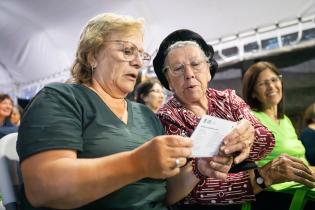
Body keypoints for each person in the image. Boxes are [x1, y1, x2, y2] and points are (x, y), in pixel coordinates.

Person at [16, 13, 234, 210]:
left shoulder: (146, 115)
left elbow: (165, 192)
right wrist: (137, 163)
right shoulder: (61, 98)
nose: (138, 62)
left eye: (141, 54)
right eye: (127, 51)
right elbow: (44, 188)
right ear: (92, 55)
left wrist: (198, 170)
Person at [153, 29, 277, 209]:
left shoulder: (228, 99)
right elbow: (191, 193)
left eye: (196, 64)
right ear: (168, 81)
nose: (189, 74)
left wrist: (249, 136)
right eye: (178, 69)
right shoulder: (167, 117)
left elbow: (267, 142)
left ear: (209, 70)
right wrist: (260, 178)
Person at [242, 61, 315, 209]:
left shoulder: (285, 120)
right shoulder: (250, 118)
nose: (271, 86)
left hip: (303, 187)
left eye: (274, 80)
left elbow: (301, 161)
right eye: (263, 83)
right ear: (253, 92)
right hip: (280, 194)